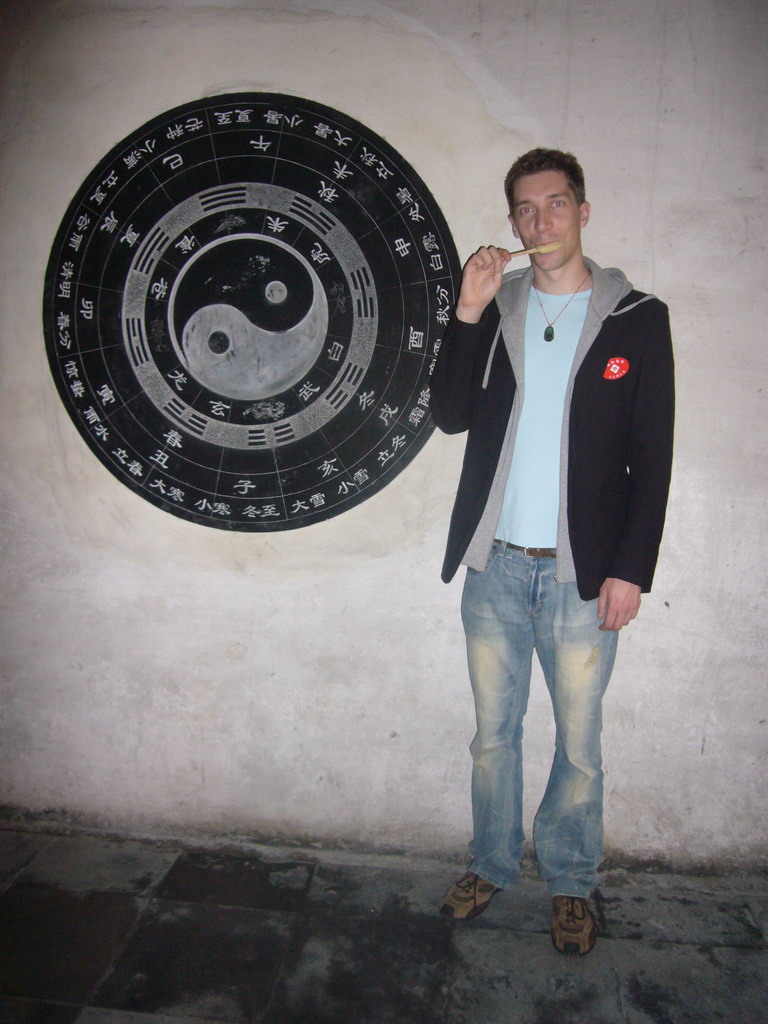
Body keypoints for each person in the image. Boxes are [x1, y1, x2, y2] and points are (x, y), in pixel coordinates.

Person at [430, 148, 674, 955]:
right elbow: (452, 415)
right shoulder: (497, 310)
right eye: (526, 210)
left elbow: (653, 450)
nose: (540, 221)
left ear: (583, 211)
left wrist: (630, 569)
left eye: (556, 203)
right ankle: (493, 863)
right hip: (494, 565)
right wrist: (466, 311)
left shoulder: (638, 319)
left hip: (580, 576)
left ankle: (572, 882)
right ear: (515, 223)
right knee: (492, 737)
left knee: (578, 744)